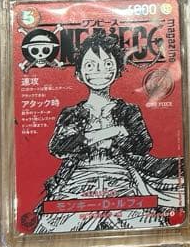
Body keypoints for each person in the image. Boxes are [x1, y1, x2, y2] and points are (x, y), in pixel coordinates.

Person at [33, 32, 182, 232]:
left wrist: (111, 136)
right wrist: (110, 132)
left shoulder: (128, 110)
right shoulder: (72, 113)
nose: (99, 71)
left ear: (117, 70)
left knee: (146, 224)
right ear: (79, 74)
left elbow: (143, 144)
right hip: (78, 179)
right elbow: (58, 147)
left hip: (121, 177)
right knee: (54, 227)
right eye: (90, 65)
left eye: (107, 64)